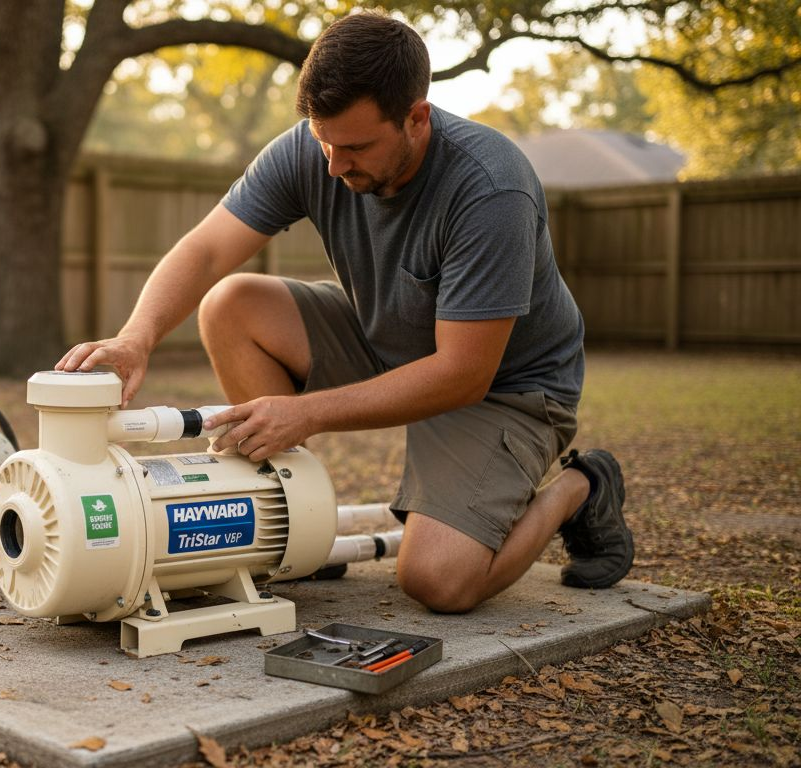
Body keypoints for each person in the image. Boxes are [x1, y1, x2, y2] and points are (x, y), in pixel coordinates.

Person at [56, 11, 635, 613]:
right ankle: (293, 522)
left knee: (439, 581)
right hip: (385, 335)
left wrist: (305, 413)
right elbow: (205, 250)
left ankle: (581, 486)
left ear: (417, 117)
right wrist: (135, 337)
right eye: (324, 142)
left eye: (355, 146)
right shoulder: (318, 149)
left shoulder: (490, 187)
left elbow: (463, 373)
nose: (333, 166)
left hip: (503, 387)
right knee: (231, 304)